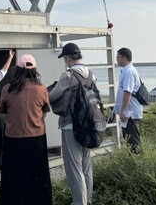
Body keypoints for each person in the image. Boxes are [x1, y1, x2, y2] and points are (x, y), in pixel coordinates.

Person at [0, 54, 52, 205]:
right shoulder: (41, 89)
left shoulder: (7, 89)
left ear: (18, 70)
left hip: (13, 140)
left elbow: (2, 113)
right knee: (37, 178)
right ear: (34, 70)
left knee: (13, 179)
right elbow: (45, 112)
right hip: (37, 139)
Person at [49, 43, 94, 205]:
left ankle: (79, 202)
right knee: (86, 166)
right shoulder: (90, 74)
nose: (64, 62)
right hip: (89, 126)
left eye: (64, 59)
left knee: (75, 169)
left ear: (67, 58)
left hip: (70, 126)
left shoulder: (68, 75)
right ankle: (87, 201)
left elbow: (52, 96)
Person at [114, 47, 143, 153]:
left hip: (130, 112)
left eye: (118, 57)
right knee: (129, 140)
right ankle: (134, 162)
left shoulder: (129, 71)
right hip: (128, 112)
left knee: (133, 142)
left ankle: (138, 164)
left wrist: (123, 111)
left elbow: (128, 92)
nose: (116, 59)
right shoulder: (126, 71)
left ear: (125, 57)